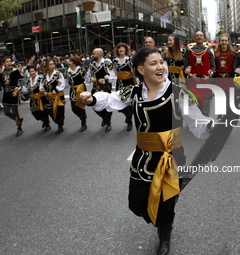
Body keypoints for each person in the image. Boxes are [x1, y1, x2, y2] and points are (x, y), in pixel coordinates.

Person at [80, 47, 211, 255]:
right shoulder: (133, 92)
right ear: (141, 69)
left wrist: (213, 126)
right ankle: (162, 217)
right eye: (154, 63)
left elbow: (198, 125)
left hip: (171, 158)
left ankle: (165, 236)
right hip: (142, 159)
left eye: (162, 62)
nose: (161, 67)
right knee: (137, 204)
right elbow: (112, 99)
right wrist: (92, 98)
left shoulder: (179, 94)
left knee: (165, 207)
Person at [0, 56, 24, 137]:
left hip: (13, 93)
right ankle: (18, 120)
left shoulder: (15, 71)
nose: (9, 63)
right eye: (7, 61)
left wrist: (17, 90)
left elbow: (21, 82)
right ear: (4, 63)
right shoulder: (1, 74)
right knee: (6, 112)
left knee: (15, 112)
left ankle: (19, 128)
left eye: (10, 61)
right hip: (6, 94)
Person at [184, 31, 216, 116]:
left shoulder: (209, 50)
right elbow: (186, 65)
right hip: (193, 82)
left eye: (201, 35)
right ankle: (195, 127)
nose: (199, 37)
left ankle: (204, 127)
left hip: (206, 82)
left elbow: (213, 66)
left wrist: (210, 75)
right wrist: (190, 75)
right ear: (195, 38)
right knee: (193, 108)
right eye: (197, 35)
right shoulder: (189, 50)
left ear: (204, 38)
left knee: (205, 108)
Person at [86, 48, 115, 131]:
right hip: (95, 88)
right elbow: (87, 76)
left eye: (93, 53)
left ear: (99, 54)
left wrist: (105, 79)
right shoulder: (91, 64)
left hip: (106, 88)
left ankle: (108, 122)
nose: (92, 55)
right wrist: (91, 79)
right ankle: (104, 118)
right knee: (93, 104)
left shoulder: (107, 62)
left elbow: (112, 75)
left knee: (107, 106)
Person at [112, 42, 136, 131]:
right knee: (121, 102)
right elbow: (113, 72)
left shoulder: (130, 59)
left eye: (123, 48)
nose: (121, 49)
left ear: (126, 50)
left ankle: (129, 120)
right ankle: (128, 115)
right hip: (120, 83)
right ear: (117, 50)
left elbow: (134, 71)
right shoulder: (115, 60)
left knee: (129, 101)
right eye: (119, 48)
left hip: (129, 83)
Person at [213, 34, 236, 118]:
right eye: (222, 40)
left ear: (228, 42)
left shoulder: (233, 54)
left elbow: (236, 66)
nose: (224, 42)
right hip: (218, 79)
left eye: (225, 40)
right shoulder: (215, 53)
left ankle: (226, 116)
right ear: (219, 42)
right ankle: (219, 115)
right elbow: (212, 65)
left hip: (229, 79)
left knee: (227, 98)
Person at [40, 58, 66, 134]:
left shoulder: (58, 74)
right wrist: (43, 90)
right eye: (50, 64)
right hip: (48, 97)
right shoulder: (44, 76)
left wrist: (57, 89)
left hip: (57, 97)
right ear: (47, 66)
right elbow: (41, 85)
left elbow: (62, 84)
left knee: (59, 111)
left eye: (53, 64)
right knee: (50, 111)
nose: (52, 66)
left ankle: (60, 126)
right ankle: (57, 121)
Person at [67, 54, 88, 132]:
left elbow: (87, 78)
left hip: (81, 89)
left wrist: (91, 79)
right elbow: (66, 82)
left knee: (81, 107)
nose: (69, 62)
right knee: (74, 108)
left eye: (70, 61)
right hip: (72, 90)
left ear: (74, 62)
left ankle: (83, 123)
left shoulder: (81, 70)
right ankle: (82, 117)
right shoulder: (68, 71)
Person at [26, 65, 46, 130]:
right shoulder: (28, 81)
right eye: (30, 71)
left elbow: (43, 85)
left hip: (39, 98)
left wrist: (42, 89)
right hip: (33, 99)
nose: (31, 73)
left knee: (42, 111)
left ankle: (46, 123)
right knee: (34, 112)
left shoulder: (40, 79)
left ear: (36, 71)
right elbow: (26, 89)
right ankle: (43, 120)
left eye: (33, 71)